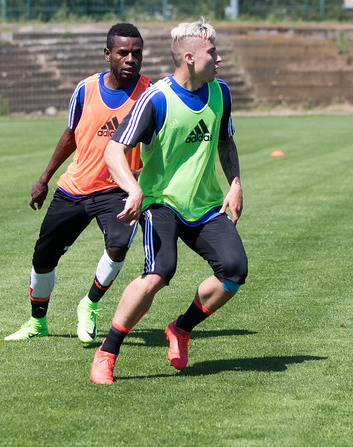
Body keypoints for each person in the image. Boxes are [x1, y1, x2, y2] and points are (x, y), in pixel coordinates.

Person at [90, 18, 248, 384]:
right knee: (159, 273)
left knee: (234, 271)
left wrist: (236, 183)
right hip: (161, 202)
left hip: (205, 204)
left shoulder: (221, 92)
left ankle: (180, 328)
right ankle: (108, 351)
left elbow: (226, 142)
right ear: (190, 58)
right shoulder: (156, 99)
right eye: (213, 52)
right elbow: (114, 151)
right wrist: (133, 189)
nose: (219, 58)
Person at [5, 23, 152, 343]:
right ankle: (36, 323)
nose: (130, 59)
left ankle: (90, 305)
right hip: (74, 188)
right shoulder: (85, 89)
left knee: (118, 245)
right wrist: (44, 179)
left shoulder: (150, 93)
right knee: (43, 259)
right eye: (123, 53)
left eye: (136, 53)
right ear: (107, 54)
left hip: (118, 189)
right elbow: (70, 135)